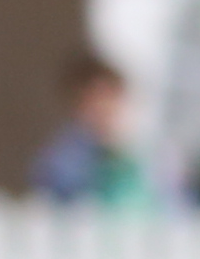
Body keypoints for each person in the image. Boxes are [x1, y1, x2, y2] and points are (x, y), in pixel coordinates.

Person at [32, 50, 156, 211]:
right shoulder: (63, 159)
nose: (104, 110)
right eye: (95, 102)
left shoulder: (141, 151)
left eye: (111, 100)